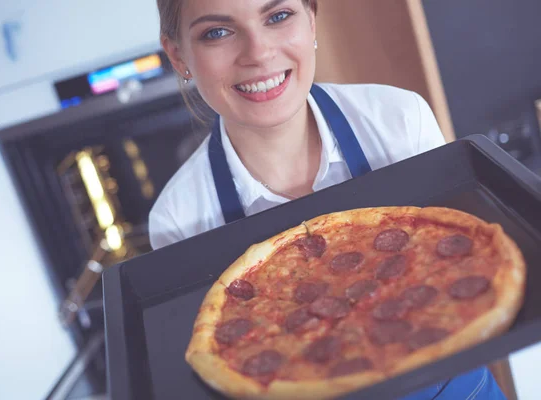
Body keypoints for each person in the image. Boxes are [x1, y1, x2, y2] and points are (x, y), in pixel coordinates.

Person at [149, 0, 506, 398]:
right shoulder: (178, 217)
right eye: (217, 32)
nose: (259, 52)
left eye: (278, 16)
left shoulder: (400, 121)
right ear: (179, 55)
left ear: (312, 18)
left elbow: (465, 277)